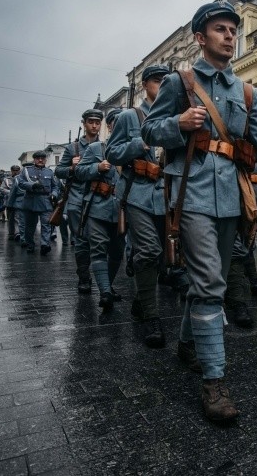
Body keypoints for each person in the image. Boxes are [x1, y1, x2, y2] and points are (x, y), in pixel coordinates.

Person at [142, 0, 257, 421]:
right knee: (212, 282)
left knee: (209, 278)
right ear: (200, 38)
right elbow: (149, 129)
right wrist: (178, 125)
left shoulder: (246, 90)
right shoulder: (182, 82)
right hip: (191, 192)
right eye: (220, 29)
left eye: (233, 29)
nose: (230, 35)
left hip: (232, 195)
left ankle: (186, 343)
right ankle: (214, 381)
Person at [106, 64, 187, 349]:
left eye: (167, 81)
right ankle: (151, 318)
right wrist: (138, 144)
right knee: (148, 250)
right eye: (156, 80)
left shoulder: (175, 117)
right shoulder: (131, 116)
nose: (162, 84)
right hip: (137, 192)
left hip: (167, 194)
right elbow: (111, 152)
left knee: (165, 256)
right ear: (144, 86)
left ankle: (141, 302)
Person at [75, 110, 124, 311]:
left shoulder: (134, 149)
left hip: (122, 209)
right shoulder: (97, 148)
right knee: (98, 249)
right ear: (110, 126)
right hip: (97, 206)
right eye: (117, 123)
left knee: (117, 252)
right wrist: (97, 167)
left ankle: (108, 286)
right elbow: (79, 172)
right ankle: (104, 292)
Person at [56, 109, 103, 293]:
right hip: (77, 198)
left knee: (99, 241)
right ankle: (84, 277)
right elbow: (58, 172)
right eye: (90, 121)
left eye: (97, 122)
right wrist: (71, 167)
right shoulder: (72, 148)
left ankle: (103, 282)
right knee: (82, 240)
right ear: (84, 123)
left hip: (99, 197)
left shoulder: (104, 146)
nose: (94, 125)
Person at [19, 150, 59, 255]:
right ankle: (30, 244)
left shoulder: (49, 172)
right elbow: (21, 183)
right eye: (38, 158)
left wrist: (54, 194)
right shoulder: (26, 171)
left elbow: (55, 186)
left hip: (46, 202)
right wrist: (31, 185)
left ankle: (44, 245)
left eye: (42, 158)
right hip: (31, 201)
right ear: (34, 159)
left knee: (46, 225)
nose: (40, 160)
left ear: (45, 159)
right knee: (30, 226)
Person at [3, 165, 23, 240]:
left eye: (17, 170)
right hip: (9, 201)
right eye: (14, 170)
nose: (16, 172)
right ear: (11, 171)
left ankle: (17, 232)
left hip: (19, 201)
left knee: (17, 217)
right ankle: (11, 233)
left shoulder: (22, 178)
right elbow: (2, 189)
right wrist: (11, 192)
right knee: (10, 218)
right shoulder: (6, 180)